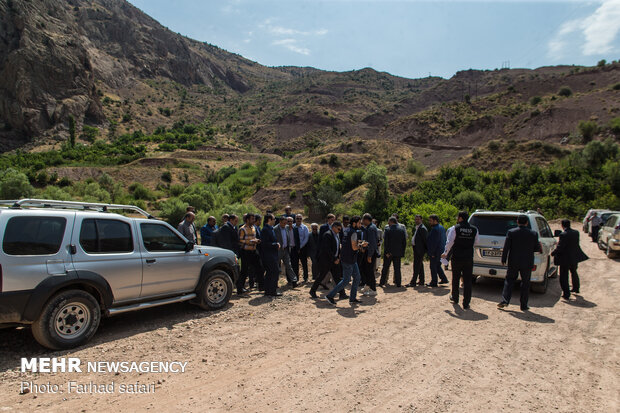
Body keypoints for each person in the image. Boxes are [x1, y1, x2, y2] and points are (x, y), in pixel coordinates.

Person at [498, 215, 542, 311]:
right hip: (527, 261)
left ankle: (505, 300)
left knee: (509, 280)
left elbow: (506, 247)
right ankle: (524, 305)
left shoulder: (511, 232)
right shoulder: (533, 233)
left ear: (517, 222)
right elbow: (537, 248)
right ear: (527, 223)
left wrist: (503, 259)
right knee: (525, 283)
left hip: (514, 261)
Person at [325, 216, 367, 305]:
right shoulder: (353, 232)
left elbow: (349, 243)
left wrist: (360, 243)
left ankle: (352, 298)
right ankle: (330, 295)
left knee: (357, 277)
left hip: (348, 258)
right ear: (354, 223)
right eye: (359, 223)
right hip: (349, 259)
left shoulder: (347, 230)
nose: (360, 224)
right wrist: (362, 245)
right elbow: (354, 247)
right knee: (346, 280)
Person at [442, 211, 479, 309]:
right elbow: (476, 242)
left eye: (457, 217)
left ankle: (455, 298)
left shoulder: (455, 228)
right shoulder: (474, 229)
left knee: (456, 278)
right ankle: (466, 303)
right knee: (467, 281)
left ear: (461, 218)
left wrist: (445, 253)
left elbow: (449, 242)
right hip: (468, 257)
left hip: (457, 257)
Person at [310, 222, 347, 300]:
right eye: (339, 229)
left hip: (334, 260)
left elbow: (337, 247)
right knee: (321, 276)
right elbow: (327, 249)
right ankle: (312, 290)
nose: (340, 231)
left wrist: (338, 257)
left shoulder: (336, 235)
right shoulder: (328, 235)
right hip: (327, 260)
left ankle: (342, 293)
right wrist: (334, 258)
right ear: (334, 227)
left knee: (337, 277)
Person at [552, 220, 589, 299]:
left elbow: (560, 247)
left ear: (562, 225)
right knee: (574, 272)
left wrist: (553, 253)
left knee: (564, 276)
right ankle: (576, 288)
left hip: (565, 258)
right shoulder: (576, 232)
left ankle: (566, 293)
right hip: (574, 257)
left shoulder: (563, 234)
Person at [237, 214, 261, 295]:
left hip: (254, 251)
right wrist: (251, 241)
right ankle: (240, 289)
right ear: (247, 220)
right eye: (252, 219)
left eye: (254, 219)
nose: (254, 220)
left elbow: (253, 238)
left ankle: (262, 286)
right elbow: (240, 241)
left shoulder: (253, 228)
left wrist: (256, 240)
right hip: (245, 252)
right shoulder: (242, 229)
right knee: (244, 270)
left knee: (259, 268)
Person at [380, 217, 407, 287]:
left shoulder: (388, 230)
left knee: (385, 268)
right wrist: (402, 252)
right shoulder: (401, 230)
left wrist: (386, 252)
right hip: (398, 253)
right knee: (397, 268)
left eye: (389, 222)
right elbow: (404, 243)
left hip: (389, 253)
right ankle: (398, 283)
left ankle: (382, 282)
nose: (388, 223)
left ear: (392, 222)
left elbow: (386, 243)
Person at [260, 214, 282, 297]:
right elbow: (264, 243)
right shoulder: (265, 230)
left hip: (272, 254)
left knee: (270, 273)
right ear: (269, 219)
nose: (275, 220)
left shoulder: (270, 229)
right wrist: (275, 244)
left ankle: (268, 290)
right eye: (273, 219)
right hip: (269, 255)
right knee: (273, 272)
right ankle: (271, 291)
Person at [275, 216, 298, 287]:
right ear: (280, 222)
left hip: (286, 249)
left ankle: (294, 281)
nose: (285, 224)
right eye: (283, 223)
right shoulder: (275, 229)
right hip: (278, 250)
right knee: (276, 267)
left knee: (289, 265)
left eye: (286, 223)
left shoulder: (287, 227)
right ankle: (275, 282)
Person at [427, 214, 449, 287]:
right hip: (441, 250)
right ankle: (444, 279)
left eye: (430, 221)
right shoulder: (442, 228)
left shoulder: (435, 229)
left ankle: (434, 282)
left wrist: (432, 252)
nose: (429, 222)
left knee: (433, 266)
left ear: (435, 221)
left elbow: (434, 242)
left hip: (436, 252)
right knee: (437, 265)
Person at [407, 214, 428, 287]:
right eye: (416, 219)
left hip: (419, 250)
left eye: (418, 219)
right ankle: (421, 280)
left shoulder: (422, 228)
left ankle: (413, 282)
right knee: (420, 265)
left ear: (421, 220)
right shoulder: (417, 228)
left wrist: (424, 250)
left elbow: (425, 240)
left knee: (416, 265)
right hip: (416, 249)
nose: (416, 220)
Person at [361, 213, 378, 296]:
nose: (362, 221)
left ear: (367, 220)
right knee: (366, 269)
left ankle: (373, 289)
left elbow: (372, 243)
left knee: (370, 271)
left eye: (363, 220)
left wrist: (369, 255)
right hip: (368, 251)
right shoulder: (370, 227)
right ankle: (368, 285)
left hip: (370, 252)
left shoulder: (371, 228)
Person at [292, 214, 310, 282]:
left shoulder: (305, 227)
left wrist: (300, 247)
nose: (299, 220)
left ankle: (305, 277)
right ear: (295, 219)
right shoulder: (292, 227)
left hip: (303, 248)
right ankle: (296, 278)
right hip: (294, 248)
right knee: (295, 264)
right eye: (297, 218)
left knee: (304, 264)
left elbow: (306, 238)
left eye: (300, 218)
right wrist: (296, 248)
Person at [252, 213, 265, 290]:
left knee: (260, 268)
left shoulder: (259, 228)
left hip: (260, 250)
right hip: (254, 250)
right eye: (260, 220)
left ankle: (258, 282)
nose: (260, 222)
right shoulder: (253, 228)